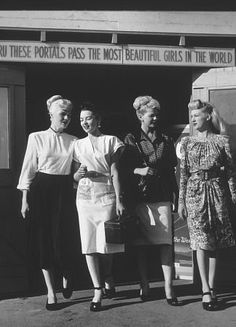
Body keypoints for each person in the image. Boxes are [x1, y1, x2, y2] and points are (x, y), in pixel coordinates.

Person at [17, 95, 78, 310]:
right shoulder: (37, 137)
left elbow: (77, 170)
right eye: (63, 114)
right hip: (42, 191)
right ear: (51, 114)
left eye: (69, 114)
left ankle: (67, 273)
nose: (67, 118)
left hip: (64, 191)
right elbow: (28, 168)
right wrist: (25, 198)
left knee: (63, 238)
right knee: (44, 240)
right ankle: (51, 293)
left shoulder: (74, 140)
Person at [178, 99, 236, 311]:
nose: (193, 118)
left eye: (196, 114)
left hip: (216, 191)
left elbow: (230, 171)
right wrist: (181, 201)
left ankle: (212, 287)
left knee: (214, 240)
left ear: (208, 116)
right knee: (200, 240)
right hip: (194, 191)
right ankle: (204, 289)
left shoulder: (221, 141)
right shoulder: (187, 142)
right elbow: (183, 173)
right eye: (191, 115)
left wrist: (233, 195)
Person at [121, 95, 179, 305]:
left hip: (161, 194)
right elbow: (123, 169)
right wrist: (139, 170)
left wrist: (176, 196)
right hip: (140, 196)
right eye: (151, 115)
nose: (155, 118)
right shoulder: (131, 139)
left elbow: (172, 169)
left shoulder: (166, 139)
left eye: (156, 115)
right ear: (140, 116)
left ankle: (168, 288)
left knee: (165, 242)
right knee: (142, 244)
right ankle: (144, 285)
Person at [73, 101, 125, 312]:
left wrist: (120, 199)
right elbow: (74, 177)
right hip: (84, 198)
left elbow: (115, 172)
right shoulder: (77, 145)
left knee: (107, 242)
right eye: (81, 120)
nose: (85, 122)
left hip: (106, 195)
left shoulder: (110, 141)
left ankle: (109, 275)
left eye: (89, 118)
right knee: (88, 244)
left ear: (98, 119)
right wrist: (79, 175)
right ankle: (97, 289)